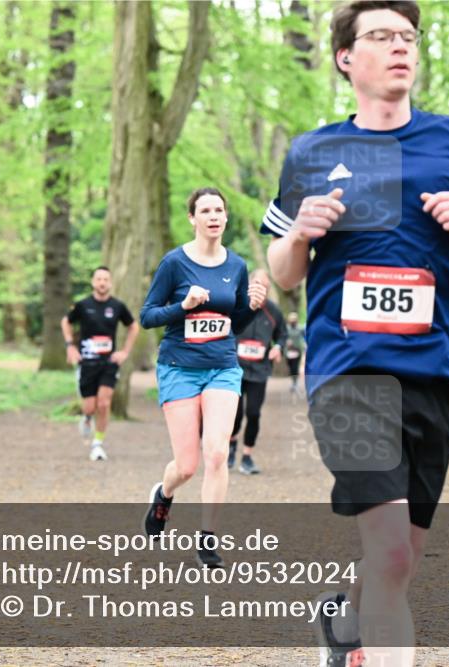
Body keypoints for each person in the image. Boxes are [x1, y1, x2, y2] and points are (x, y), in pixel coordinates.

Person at [263, 3, 449, 664]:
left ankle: (344, 622)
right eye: (381, 36)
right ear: (347, 58)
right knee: (392, 548)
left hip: (437, 372)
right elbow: (283, 274)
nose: (400, 47)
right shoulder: (314, 151)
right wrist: (298, 233)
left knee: (401, 559)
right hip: (349, 372)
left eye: (408, 37)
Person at [140, 187, 267, 568]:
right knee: (187, 466)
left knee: (216, 453)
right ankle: (163, 495)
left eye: (219, 210)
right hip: (179, 367)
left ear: (226, 218)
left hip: (223, 367)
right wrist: (184, 306)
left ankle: (207, 539)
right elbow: (148, 316)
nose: (213, 216)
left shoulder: (237, 266)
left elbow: (235, 324)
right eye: (205, 210)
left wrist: (252, 307)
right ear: (192, 219)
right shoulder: (174, 263)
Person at [61, 266, 139, 462]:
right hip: (87, 363)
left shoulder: (118, 306)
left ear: (110, 283)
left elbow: (133, 326)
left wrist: (125, 352)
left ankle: (97, 444)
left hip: (108, 363)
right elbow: (65, 322)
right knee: (89, 407)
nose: (102, 283)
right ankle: (87, 417)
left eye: (106, 279)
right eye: (99, 279)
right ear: (93, 282)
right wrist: (70, 346)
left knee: (104, 404)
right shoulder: (82, 305)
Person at [228, 269, 287, 474]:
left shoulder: (273, 311)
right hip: (234, 369)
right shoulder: (236, 306)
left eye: (266, 287)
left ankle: (247, 456)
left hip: (259, 371)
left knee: (253, 413)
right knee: (234, 416)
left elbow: (282, 335)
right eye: (258, 285)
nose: (262, 289)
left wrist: (278, 348)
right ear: (248, 285)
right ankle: (231, 443)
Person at [284, 311, 305, 394]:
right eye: (291, 319)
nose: (293, 321)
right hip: (288, 352)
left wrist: (302, 344)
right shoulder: (286, 328)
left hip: (297, 351)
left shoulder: (300, 328)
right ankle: (293, 381)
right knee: (290, 367)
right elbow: (283, 336)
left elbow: (305, 336)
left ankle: (295, 383)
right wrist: (286, 341)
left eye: (294, 319)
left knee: (295, 367)